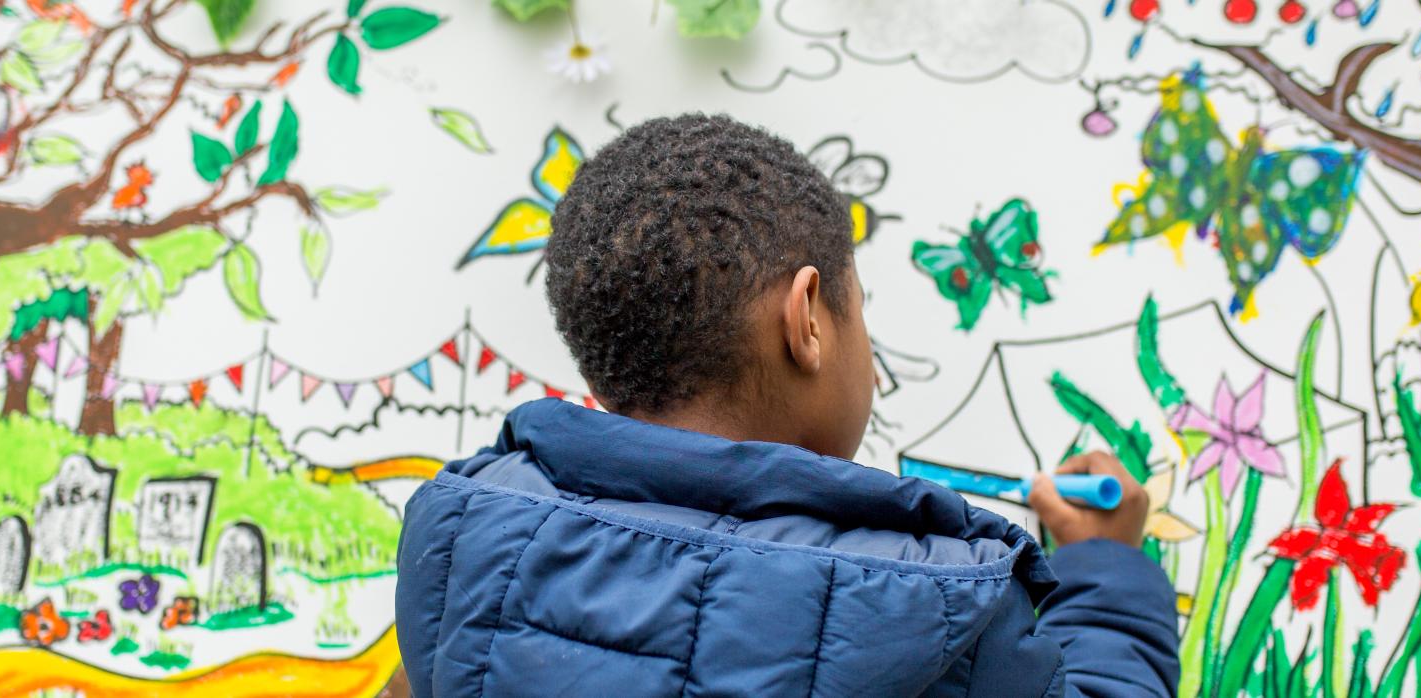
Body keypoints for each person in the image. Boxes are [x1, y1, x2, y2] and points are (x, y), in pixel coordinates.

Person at [395, 114, 1178, 696]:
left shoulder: (461, 540)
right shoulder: (940, 606)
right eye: (860, 310)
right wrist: (1106, 566)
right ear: (806, 319)